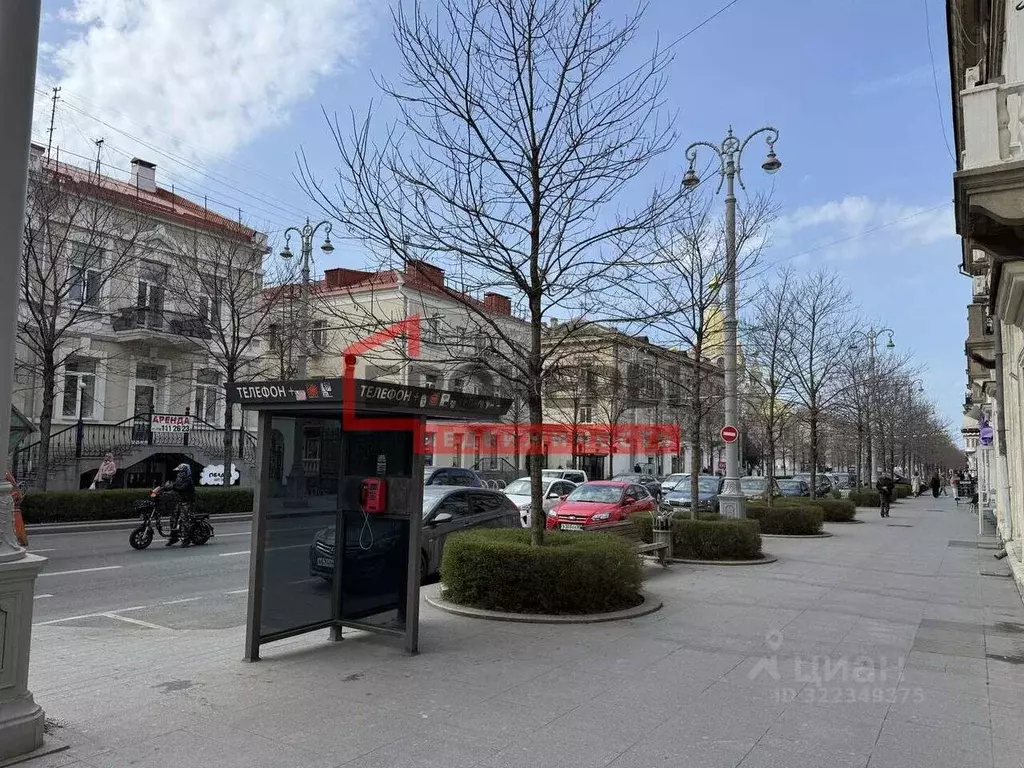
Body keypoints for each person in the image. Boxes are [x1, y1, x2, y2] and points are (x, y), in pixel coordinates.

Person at [165, 463, 196, 547]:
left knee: (184, 520)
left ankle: (187, 539)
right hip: (179, 502)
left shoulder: (188, 480)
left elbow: (181, 488)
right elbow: (173, 486)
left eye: (180, 472)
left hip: (187, 503)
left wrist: (172, 486)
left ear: (185, 472)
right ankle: (174, 537)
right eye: (178, 472)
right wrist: (162, 488)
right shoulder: (179, 480)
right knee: (173, 519)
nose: (178, 473)